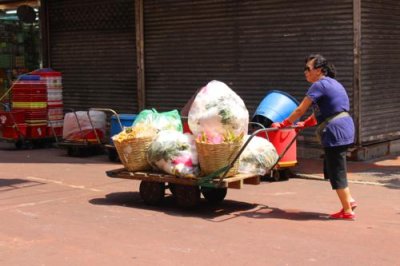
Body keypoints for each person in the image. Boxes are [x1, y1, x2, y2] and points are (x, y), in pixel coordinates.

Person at [272, 54, 357, 220]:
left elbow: (300, 110)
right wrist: (304, 124)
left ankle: (347, 210)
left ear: (319, 71)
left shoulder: (319, 85)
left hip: (335, 131)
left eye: (308, 69)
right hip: (343, 127)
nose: (305, 72)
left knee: (336, 170)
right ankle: (349, 200)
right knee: (334, 167)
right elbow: (322, 113)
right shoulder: (332, 84)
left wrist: (283, 124)